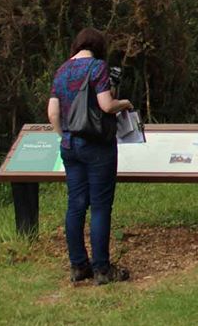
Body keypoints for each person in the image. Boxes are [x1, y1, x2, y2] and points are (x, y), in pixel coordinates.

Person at [47, 28, 134, 285]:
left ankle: (78, 265)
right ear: (98, 46)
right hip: (96, 145)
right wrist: (125, 103)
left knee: (75, 205)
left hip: (69, 145)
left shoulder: (61, 71)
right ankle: (102, 269)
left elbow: (52, 112)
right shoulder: (98, 68)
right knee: (99, 206)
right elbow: (106, 105)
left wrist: (64, 135)